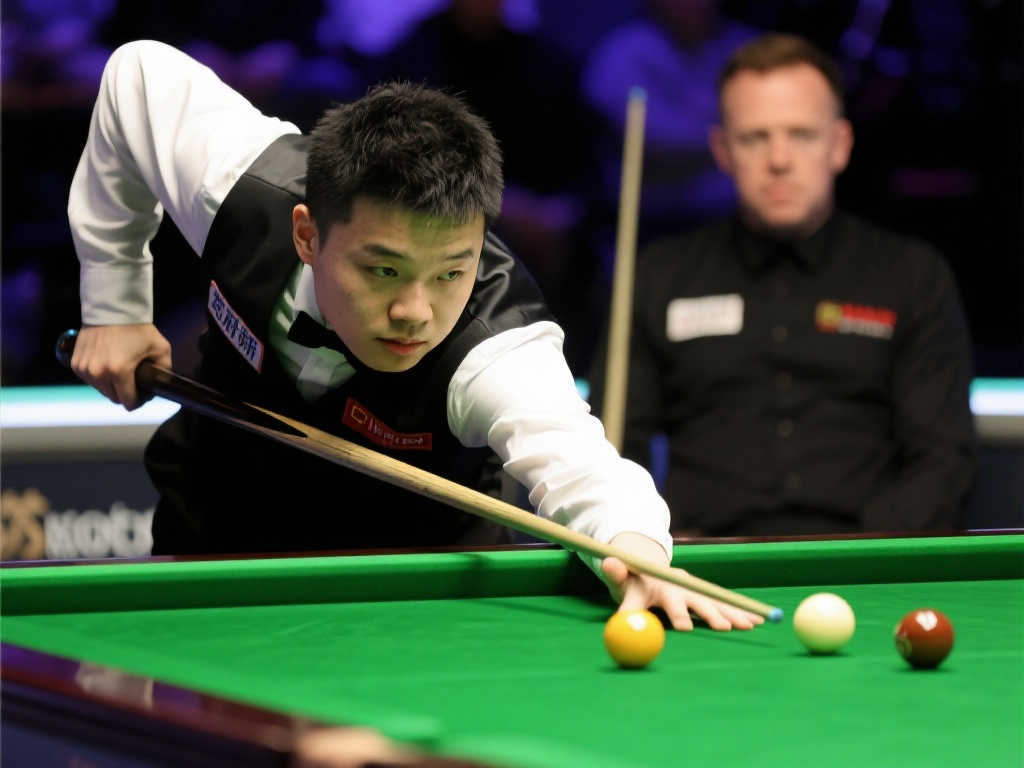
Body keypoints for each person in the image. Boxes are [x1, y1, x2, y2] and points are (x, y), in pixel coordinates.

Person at [67, 40, 761, 632]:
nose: (415, 311)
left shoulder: (496, 347)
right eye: (384, 270)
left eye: (451, 272)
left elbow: (580, 463)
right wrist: (115, 304)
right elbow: (137, 74)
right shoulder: (242, 186)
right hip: (217, 537)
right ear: (307, 234)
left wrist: (638, 553)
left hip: (424, 587)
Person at [589, 33, 976, 537]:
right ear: (723, 150)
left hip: (871, 561)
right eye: (754, 138)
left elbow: (944, 459)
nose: (778, 159)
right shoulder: (659, 275)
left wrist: (867, 557)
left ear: (840, 145)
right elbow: (614, 448)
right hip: (699, 565)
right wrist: (647, 540)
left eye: (801, 134)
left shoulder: (912, 275)